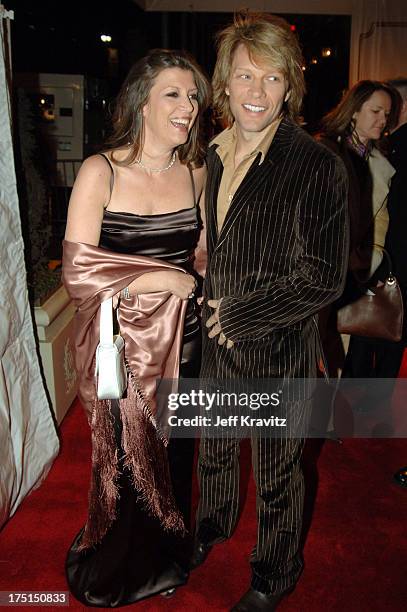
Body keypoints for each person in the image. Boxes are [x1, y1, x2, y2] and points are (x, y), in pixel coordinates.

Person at [190, 12, 349, 611]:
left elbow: (324, 277)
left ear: (290, 87)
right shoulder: (210, 153)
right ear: (224, 84)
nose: (257, 92)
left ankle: (275, 573)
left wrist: (239, 316)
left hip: (278, 348)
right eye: (245, 76)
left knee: (281, 471)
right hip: (212, 343)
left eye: (273, 78)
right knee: (216, 446)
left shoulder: (315, 164)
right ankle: (213, 524)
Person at [62, 48, 210, 606]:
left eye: (192, 96)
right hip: (121, 347)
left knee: (176, 457)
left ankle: (165, 560)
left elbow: (200, 254)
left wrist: (199, 293)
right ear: (140, 103)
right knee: (127, 465)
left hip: (186, 340)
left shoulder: (195, 170)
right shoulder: (102, 169)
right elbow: (79, 272)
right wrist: (159, 280)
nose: (188, 106)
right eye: (173, 94)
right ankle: (120, 566)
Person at [316, 81, 401, 419]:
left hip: (354, 269)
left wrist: (369, 258)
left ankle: (325, 413)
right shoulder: (324, 152)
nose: (383, 120)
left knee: (340, 343)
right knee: (319, 344)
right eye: (376, 111)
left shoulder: (379, 161)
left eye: (387, 114)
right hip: (322, 267)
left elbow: (379, 220)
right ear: (353, 111)